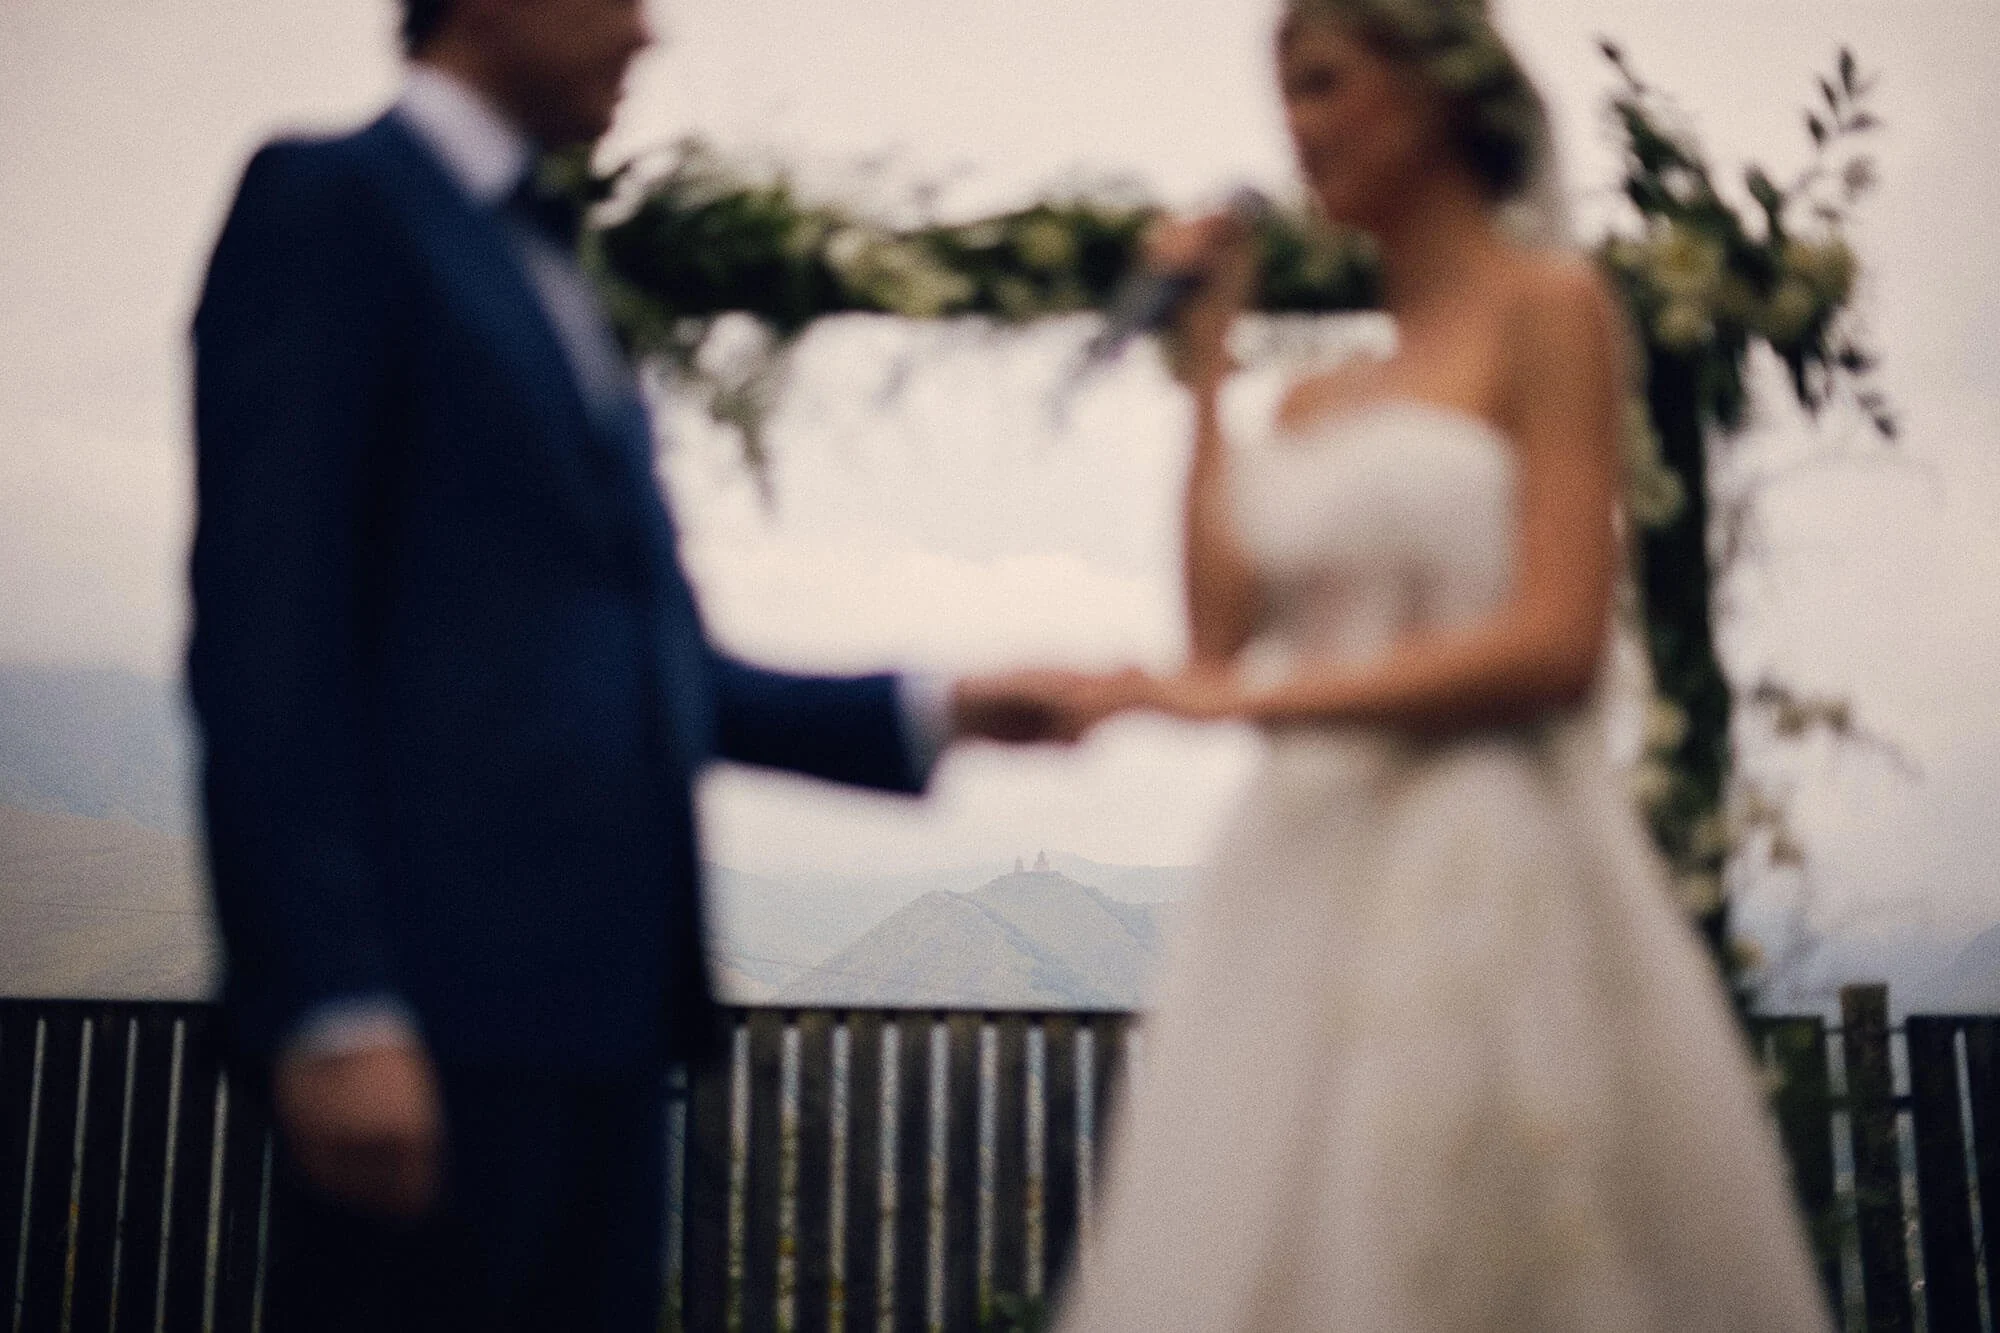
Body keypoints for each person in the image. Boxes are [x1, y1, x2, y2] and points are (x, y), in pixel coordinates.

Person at [186, 0, 1079, 1327]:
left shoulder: (554, 272)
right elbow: (269, 635)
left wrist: (939, 710)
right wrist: (332, 1002)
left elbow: (646, 664)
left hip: (607, 1024)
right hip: (435, 1022)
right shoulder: (334, 204)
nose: (646, 34)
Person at [1049, 1, 1834, 1327]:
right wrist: (1203, 374)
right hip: (1295, 884)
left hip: (1487, 856)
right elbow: (1218, 636)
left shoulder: (1550, 311)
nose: (1293, 126)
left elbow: (1555, 645)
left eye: (1321, 82)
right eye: (1283, 94)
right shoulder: (1313, 402)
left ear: (1429, 89)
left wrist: (1248, 701)